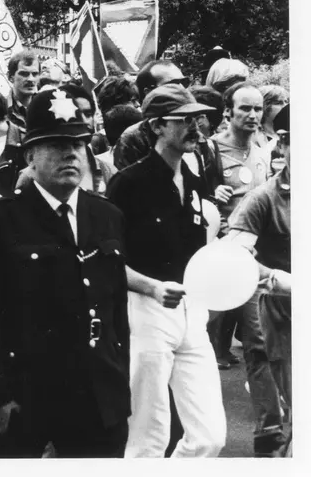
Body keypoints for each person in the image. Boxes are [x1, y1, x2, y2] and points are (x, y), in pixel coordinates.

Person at [0, 89, 130, 458]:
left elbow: (116, 310)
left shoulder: (105, 215)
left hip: (96, 390)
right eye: (55, 145)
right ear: (30, 155)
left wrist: (120, 379)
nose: (70, 154)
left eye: (78, 145)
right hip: (26, 394)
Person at [105, 84, 225, 457]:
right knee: (148, 435)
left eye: (197, 118)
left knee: (209, 437)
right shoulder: (127, 184)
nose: (196, 126)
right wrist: (153, 288)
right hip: (147, 312)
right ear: (157, 127)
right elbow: (108, 261)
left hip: (192, 311)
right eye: (184, 120)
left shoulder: (192, 177)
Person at [208, 81, 282, 454]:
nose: (252, 116)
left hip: (252, 263)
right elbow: (194, 196)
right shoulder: (210, 150)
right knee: (204, 340)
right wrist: (210, 194)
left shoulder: (264, 151)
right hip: (215, 258)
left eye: (257, 109)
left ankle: (269, 430)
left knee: (258, 343)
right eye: (244, 109)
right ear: (228, 112)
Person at [225, 104, 292, 457]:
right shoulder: (262, 198)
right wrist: (279, 279)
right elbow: (237, 255)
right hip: (284, 316)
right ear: (282, 145)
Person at [112, 59, 190, 170]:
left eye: (185, 83)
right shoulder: (133, 140)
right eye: (173, 85)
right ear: (149, 92)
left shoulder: (194, 127)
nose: (182, 89)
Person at [5, 50, 41, 130]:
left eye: (35, 74)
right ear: (10, 77)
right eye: (24, 74)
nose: (30, 79)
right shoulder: (1, 109)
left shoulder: (47, 107)